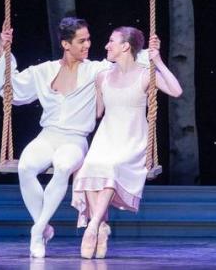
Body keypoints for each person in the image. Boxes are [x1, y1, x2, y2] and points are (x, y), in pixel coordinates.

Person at [0, 17, 115, 258]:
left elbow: (126, 66)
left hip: (75, 138)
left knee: (63, 165)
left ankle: (37, 232)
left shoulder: (95, 70)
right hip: (48, 135)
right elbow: (9, 88)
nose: (88, 44)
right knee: (26, 167)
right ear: (65, 44)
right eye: (82, 40)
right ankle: (43, 227)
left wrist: (149, 55)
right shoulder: (44, 71)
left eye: (89, 39)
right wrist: (3, 52)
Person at [71, 27, 182, 259]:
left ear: (125, 46)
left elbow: (176, 90)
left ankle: (92, 228)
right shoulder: (102, 76)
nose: (106, 46)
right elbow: (98, 111)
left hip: (131, 140)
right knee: (88, 167)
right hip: (106, 137)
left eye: (111, 41)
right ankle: (100, 226)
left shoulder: (145, 74)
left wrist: (158, 61)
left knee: (111, 168)